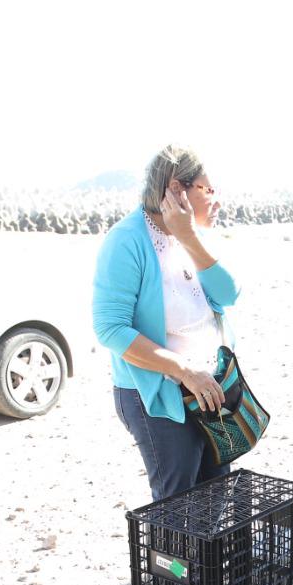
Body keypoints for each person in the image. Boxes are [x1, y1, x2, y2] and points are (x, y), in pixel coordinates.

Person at [94, 146, 237, 501]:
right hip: (156, 393)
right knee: (177, 508)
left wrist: (189, 238)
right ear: (177, 188)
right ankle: (175, 563)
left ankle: (207, 562)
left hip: (207, 387)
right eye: (208, 189)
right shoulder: (127, 241)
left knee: (216, 499)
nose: (216, 200)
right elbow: (110, 328)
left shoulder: (188, 235)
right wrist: (184, 371)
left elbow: (228, 294)